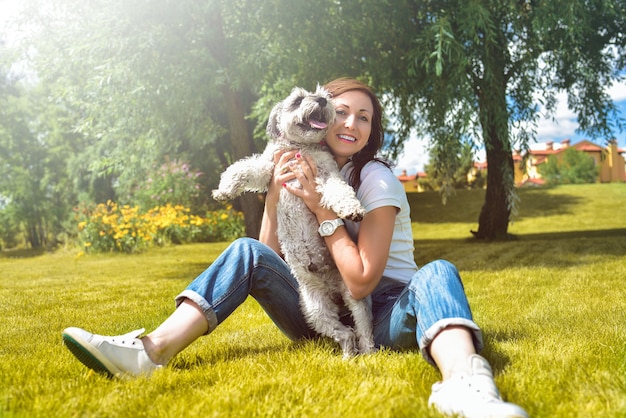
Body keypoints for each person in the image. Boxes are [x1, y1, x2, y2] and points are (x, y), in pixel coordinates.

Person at [62, 78, 528, 418]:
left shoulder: (375, 180)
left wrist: (321, 209)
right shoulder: (302, 164)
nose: (350, 123)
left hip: (384, 311)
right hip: (316, 310)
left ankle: (466, 387)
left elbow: (363, 279)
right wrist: (278, 193)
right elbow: (267, 257)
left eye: (363, 117)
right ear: (318, 118)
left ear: (372, 132)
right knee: (244, 249)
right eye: (341, 111)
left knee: (438, 271)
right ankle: (151, 351)